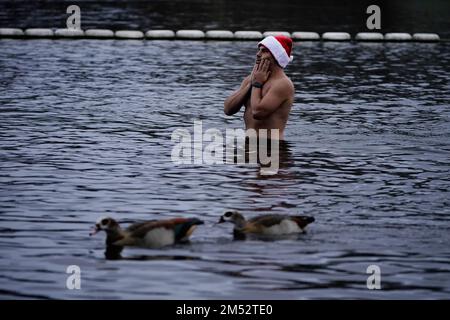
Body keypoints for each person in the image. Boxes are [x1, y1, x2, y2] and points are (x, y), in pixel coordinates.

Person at [224, 35, 295, 141]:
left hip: (272, 147)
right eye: (259, 50)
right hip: (248, 143)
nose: (258, 54)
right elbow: (228, 109)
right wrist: (251, 84)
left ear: (276, 56)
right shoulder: (250, 79)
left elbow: (258, 112)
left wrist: (257, 84)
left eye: (264, 51)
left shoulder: (283, 84)